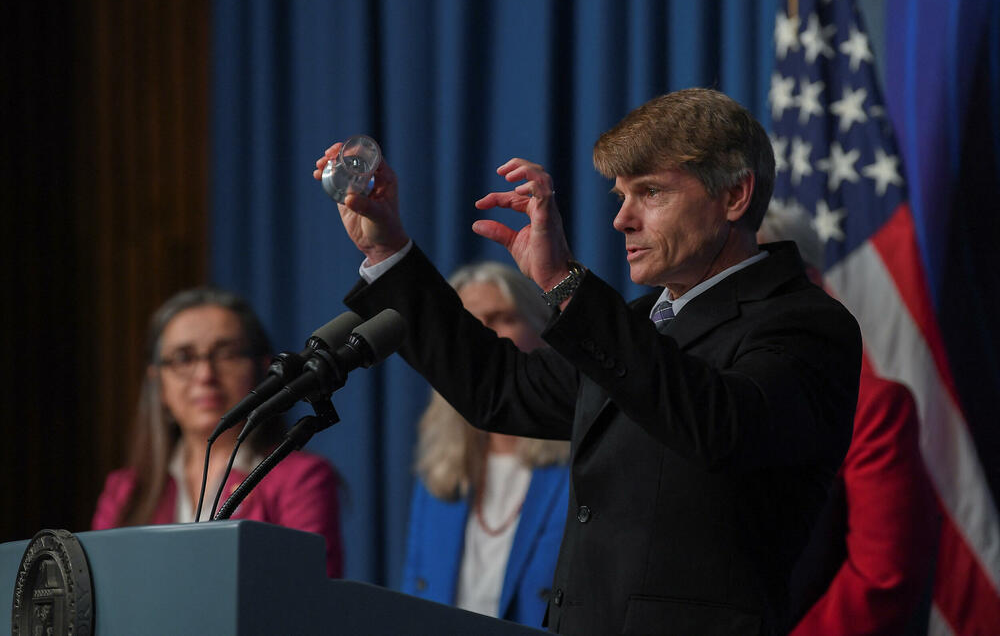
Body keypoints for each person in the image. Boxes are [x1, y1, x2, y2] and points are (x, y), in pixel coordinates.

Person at [315, 88, 861, 634]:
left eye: (650, 193)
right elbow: (500, 390)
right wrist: (387, 251)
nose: (622, 220)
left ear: (736, 196)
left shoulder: (804, 323)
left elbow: (717, 424)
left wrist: (562, 284)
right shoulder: (642, 322)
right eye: (619, 197)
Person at [758, 203, 939, 634]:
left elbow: (882, 579)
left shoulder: (872, 409)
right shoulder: (698, 405)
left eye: (758, 279)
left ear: (812, 284)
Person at [91, 287, 345, 577]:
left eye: (227, 354)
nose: (205, 375)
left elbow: (308, 597)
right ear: (158, 382)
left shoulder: (301, 479)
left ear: (264, 370)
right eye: (184, 358)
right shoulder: (125, 491)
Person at [401, 261, 570, 626]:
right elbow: (412, 601)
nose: (482, 336)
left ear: (542, 331)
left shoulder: (582, 467)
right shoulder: (438, 473)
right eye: (470, 323)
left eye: (501, 318)